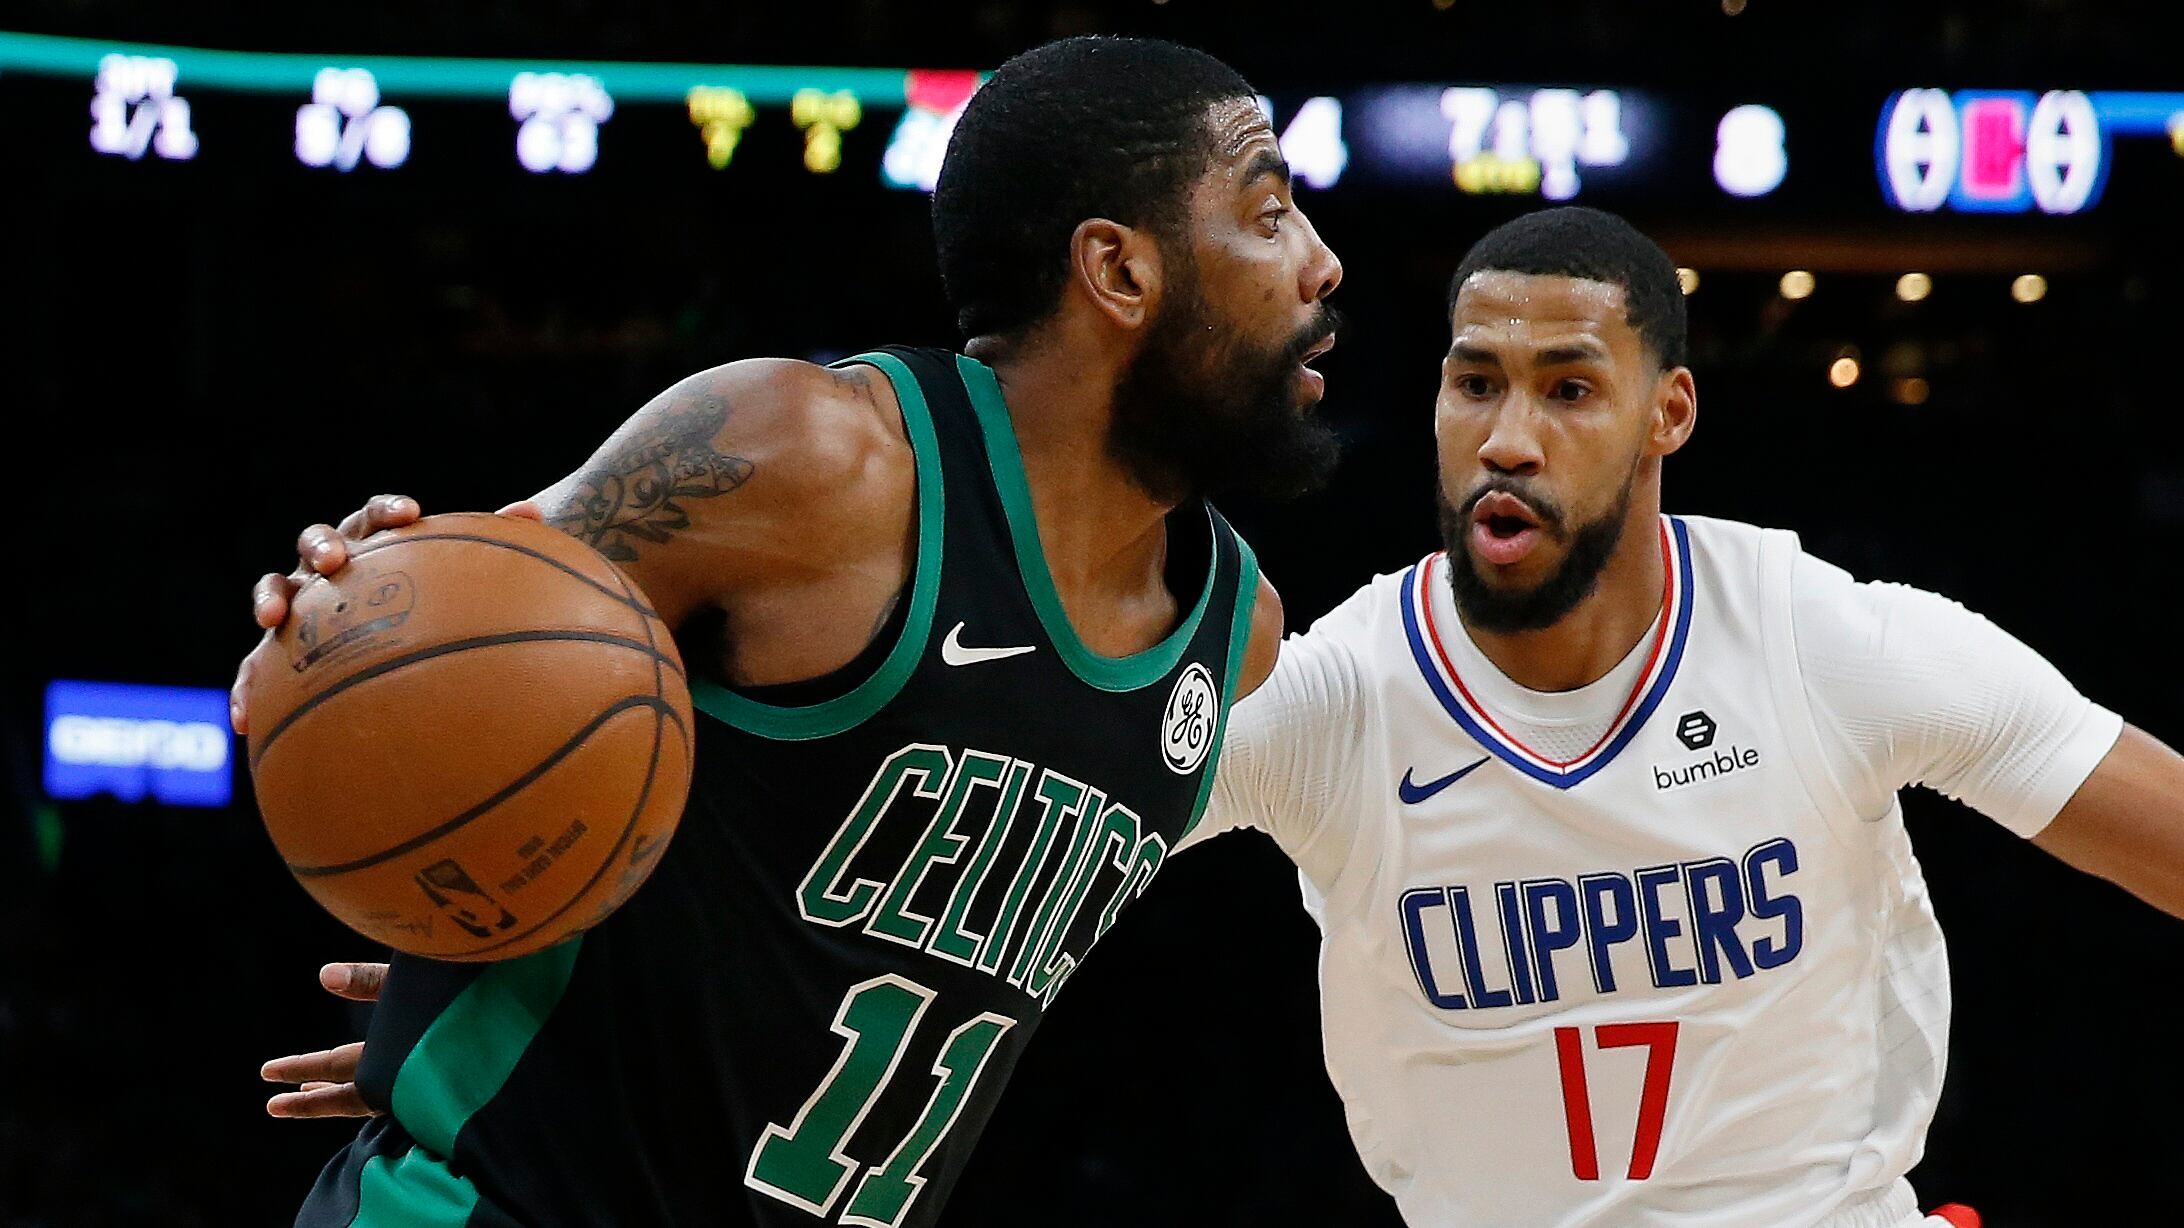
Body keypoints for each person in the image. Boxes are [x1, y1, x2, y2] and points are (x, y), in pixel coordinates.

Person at [237, 36, 1341, 1227]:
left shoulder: (1236, 637)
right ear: (1118, 271)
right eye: (1269, 215)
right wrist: (338, 609)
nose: (1323, 264)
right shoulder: (809, 457)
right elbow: (425, 652)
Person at [1181, 205, 2184, 1228]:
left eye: (1569, 389)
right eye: (1476, 384)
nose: (1508, 440)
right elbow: (1075, 811)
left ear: (1669, 412)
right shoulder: (1338, 703)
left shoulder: (1817, 644)